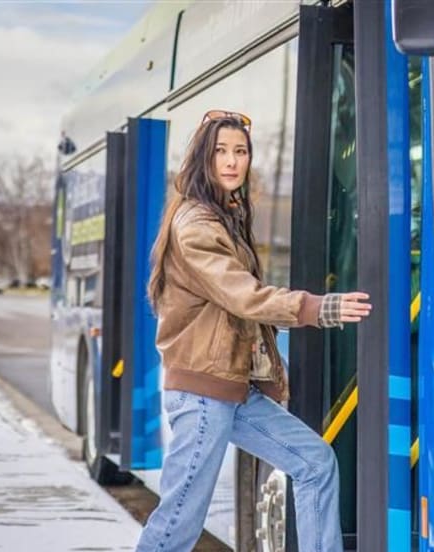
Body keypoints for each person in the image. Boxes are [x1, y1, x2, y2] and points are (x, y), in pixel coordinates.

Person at [135, 110, 371, 552]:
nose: (231, 161)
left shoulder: (224, 217)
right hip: (205, 394)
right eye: (220, 151)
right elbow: (244, 295)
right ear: (202, 160)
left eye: (240, 152)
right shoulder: (197, 226)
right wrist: (316, 308)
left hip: (232, 389)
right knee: (180, 518)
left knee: (315, 463)